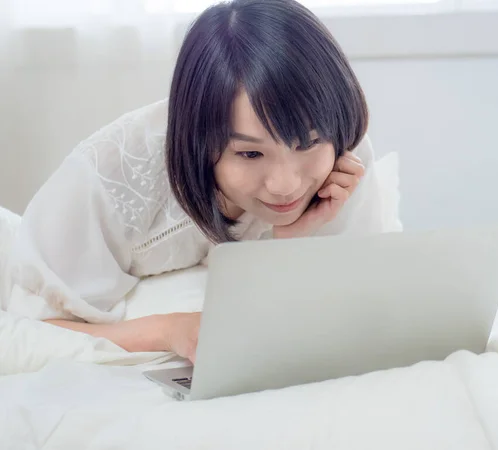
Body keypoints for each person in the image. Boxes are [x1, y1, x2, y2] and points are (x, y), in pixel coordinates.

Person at [1, 0, 392, 362]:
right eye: (250, 153)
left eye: (307, 143)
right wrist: (168, 329)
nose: (286, 184)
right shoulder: (107, 177)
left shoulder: (339, 156)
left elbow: (362, 305)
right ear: (200, 138)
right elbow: (34, 330)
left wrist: (286, 243)